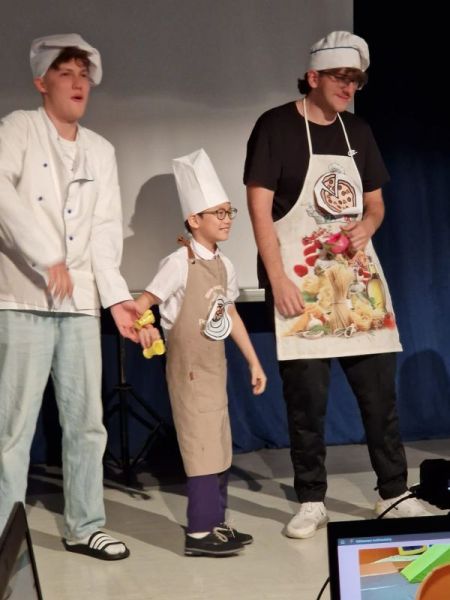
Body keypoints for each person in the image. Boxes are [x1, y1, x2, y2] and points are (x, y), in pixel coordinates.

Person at [244, 30, 431, 539]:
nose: (349, 87)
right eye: (340, 78)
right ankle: (311, 500)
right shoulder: (276, 126)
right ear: (314, 77)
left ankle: (393, 493)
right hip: (299, 281)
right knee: (306, 402)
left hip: (358, 282)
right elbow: (259, 209)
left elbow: (375, 205)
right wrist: (277, 279)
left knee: (380, 397)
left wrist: (367, 226)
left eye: (356, 80)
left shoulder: (358, 131)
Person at [0, 33, 145, 560]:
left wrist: (116, 299)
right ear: (42, 82)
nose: (78, 82)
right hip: (22, 299)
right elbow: (2, 195)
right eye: (66, 73)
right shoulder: (19, 128)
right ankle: (5, 535)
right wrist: (47, 256)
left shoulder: (101, 150)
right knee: (13, 427)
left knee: (86, 422)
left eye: (84, 74)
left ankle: (85, 525)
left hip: (79, 304)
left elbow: (105, 232)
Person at [135, 148, 267, 556]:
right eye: (218, 213)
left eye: (230, 212)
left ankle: (216, 523)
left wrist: (253, 361)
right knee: (201, 447)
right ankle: (199, 533)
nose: (227, 219)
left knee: (219, 444)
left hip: (215, 367)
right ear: (194, 220)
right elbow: (143, 303)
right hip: (189, 370)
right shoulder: (178, 263)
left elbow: (230, 313)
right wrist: (144, 327)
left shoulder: (225, 266)